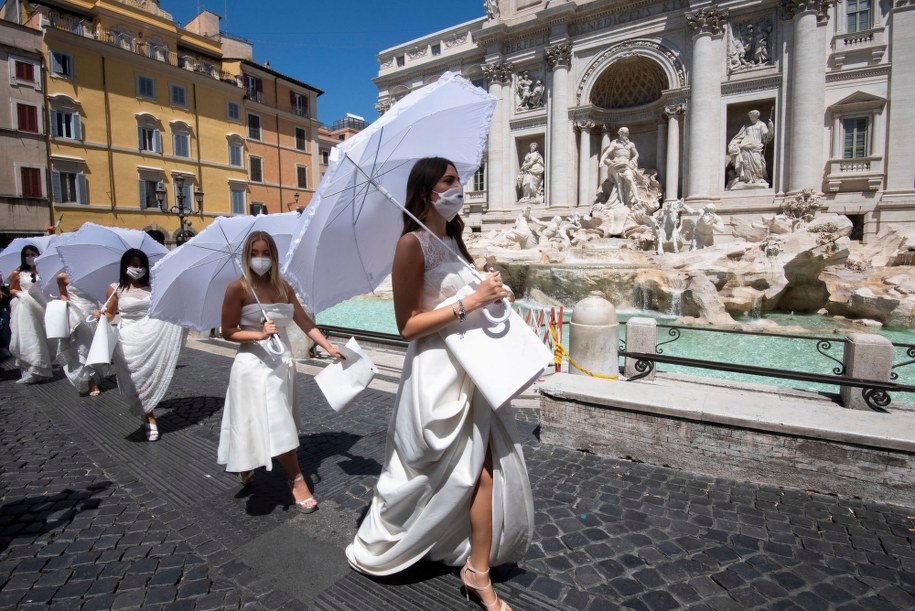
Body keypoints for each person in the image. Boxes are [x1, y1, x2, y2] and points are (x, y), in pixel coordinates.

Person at [346, 157, 533, 611]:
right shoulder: (411, 244)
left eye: (458, 180)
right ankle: (454, 559)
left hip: (473, 370)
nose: (459, 187)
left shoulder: (451, 237)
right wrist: (471, 300)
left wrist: (490, 294)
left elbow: (464, 302)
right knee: (453, 472)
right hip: (436, 373)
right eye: (449, 181)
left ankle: (478, 569)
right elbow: (407, 325)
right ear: (428, 189)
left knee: (482, 472)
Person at [217, 231, 343, 512]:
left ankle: (247, 460)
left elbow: (305, 322)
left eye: (265, 253)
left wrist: (329, 347)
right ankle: (297, 479)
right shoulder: (237, 288)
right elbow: (227, 332)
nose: (260, 259)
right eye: (254, 253)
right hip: (253, 366)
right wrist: (258, 334)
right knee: (277, 421)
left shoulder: (284, 287)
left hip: (282, 364)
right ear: (246, 256)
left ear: (274, 256)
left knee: (267, 419)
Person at [100, 249, 186, 441]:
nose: (137, 269)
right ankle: (149, 416)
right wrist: (102, 315)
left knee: (147, 377)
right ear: (125, 266)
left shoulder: (152, 289)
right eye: (133, 265)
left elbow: (161, 310)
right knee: (135, 380)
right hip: (126, 339)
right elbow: (112, 316)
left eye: (140, 265)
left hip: (149, 335)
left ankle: (148, 411)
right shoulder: (115, 289)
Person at [8, 245, 53, 383]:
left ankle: (42, 367)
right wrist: (21, 294)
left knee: (43, 337)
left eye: (33, 254)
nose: (30, 257)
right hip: (25, 306)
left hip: (41, 305)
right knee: (30, 336)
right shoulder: (18, 273)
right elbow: (12, 289)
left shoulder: (44, 272)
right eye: (27, 255)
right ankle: (30, 369)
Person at [54, 273, 102, 396]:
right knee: (82, 347)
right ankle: (90, 381)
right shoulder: (62, 277)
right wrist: (66, 304)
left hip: (94, 311)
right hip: (77, 313)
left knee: (95, 346)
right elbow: (63, 294)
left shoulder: (93, 273)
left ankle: (95, 373)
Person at [727, 109, 774, 188]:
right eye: (750, 117)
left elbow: (766, 138)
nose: (751, 119)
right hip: (744, 147)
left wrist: (771, 128)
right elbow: (739, 136)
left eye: (753, 117)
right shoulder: (746, 126)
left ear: (756, 116)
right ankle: (748, 179)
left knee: (757, 163)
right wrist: (734, 144)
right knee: (746, 164)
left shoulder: (762, 125)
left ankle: (759, 178)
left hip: (756, 147)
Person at [599, 127, 641, 208]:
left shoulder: (631, 144)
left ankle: (636, 198)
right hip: (616, 164)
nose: (623, 135)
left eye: (625, 133)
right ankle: (622, 203)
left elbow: (636, 154)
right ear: (619, 134)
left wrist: (634, 160)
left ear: (627, 134)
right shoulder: (614, 143)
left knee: (630, 180)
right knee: (619, 184)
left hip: (626, 164)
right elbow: (607, 153)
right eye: (622, 133)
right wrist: (601, 161)